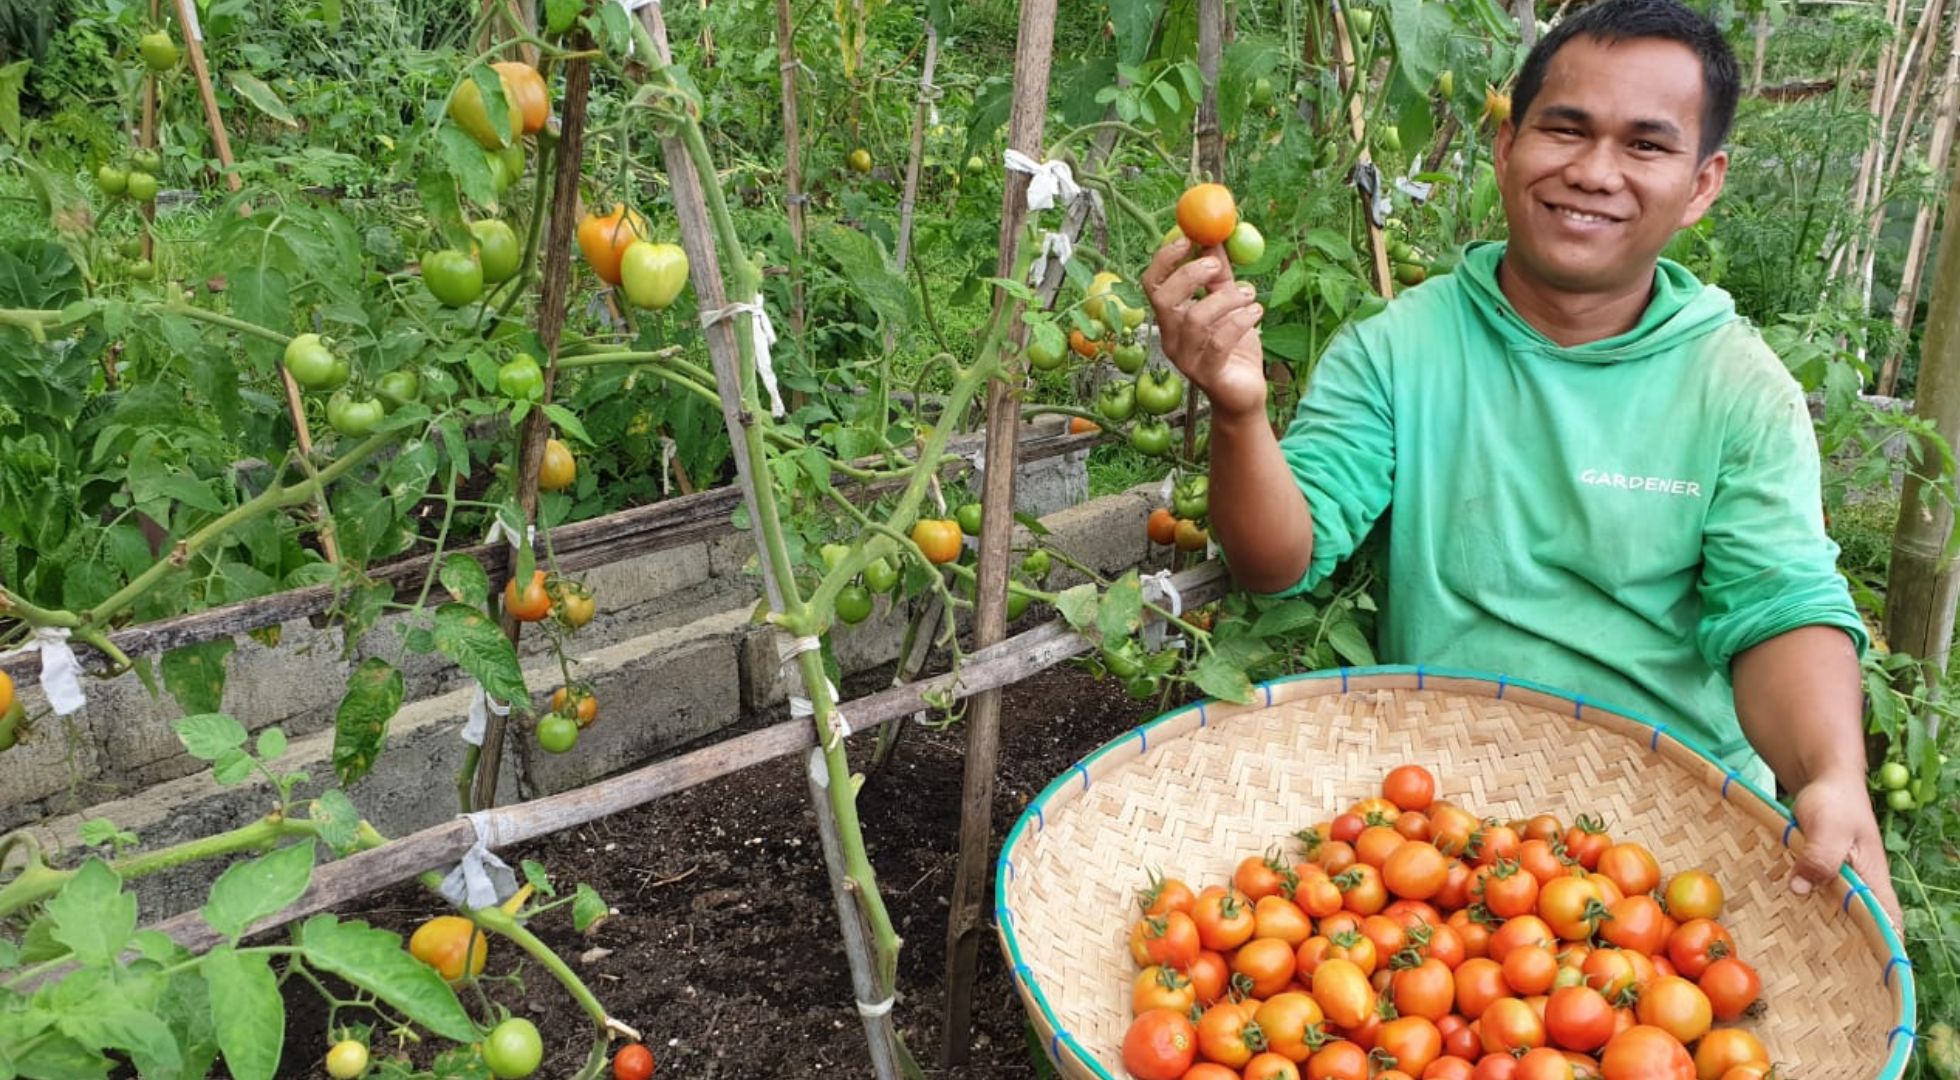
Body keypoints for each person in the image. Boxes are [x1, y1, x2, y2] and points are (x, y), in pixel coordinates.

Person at [1142, 0, 1902, 925]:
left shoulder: (1737, 386)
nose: (1593, 172)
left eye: (1646, 146)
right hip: (1441, 836)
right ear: (1506, 145)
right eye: (1565, 129)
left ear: (1703, 185)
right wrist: (1240, 411)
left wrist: (1828, 774)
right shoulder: (1400, 349)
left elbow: (1780, 606)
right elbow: (1278, 561)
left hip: (1665, 851)